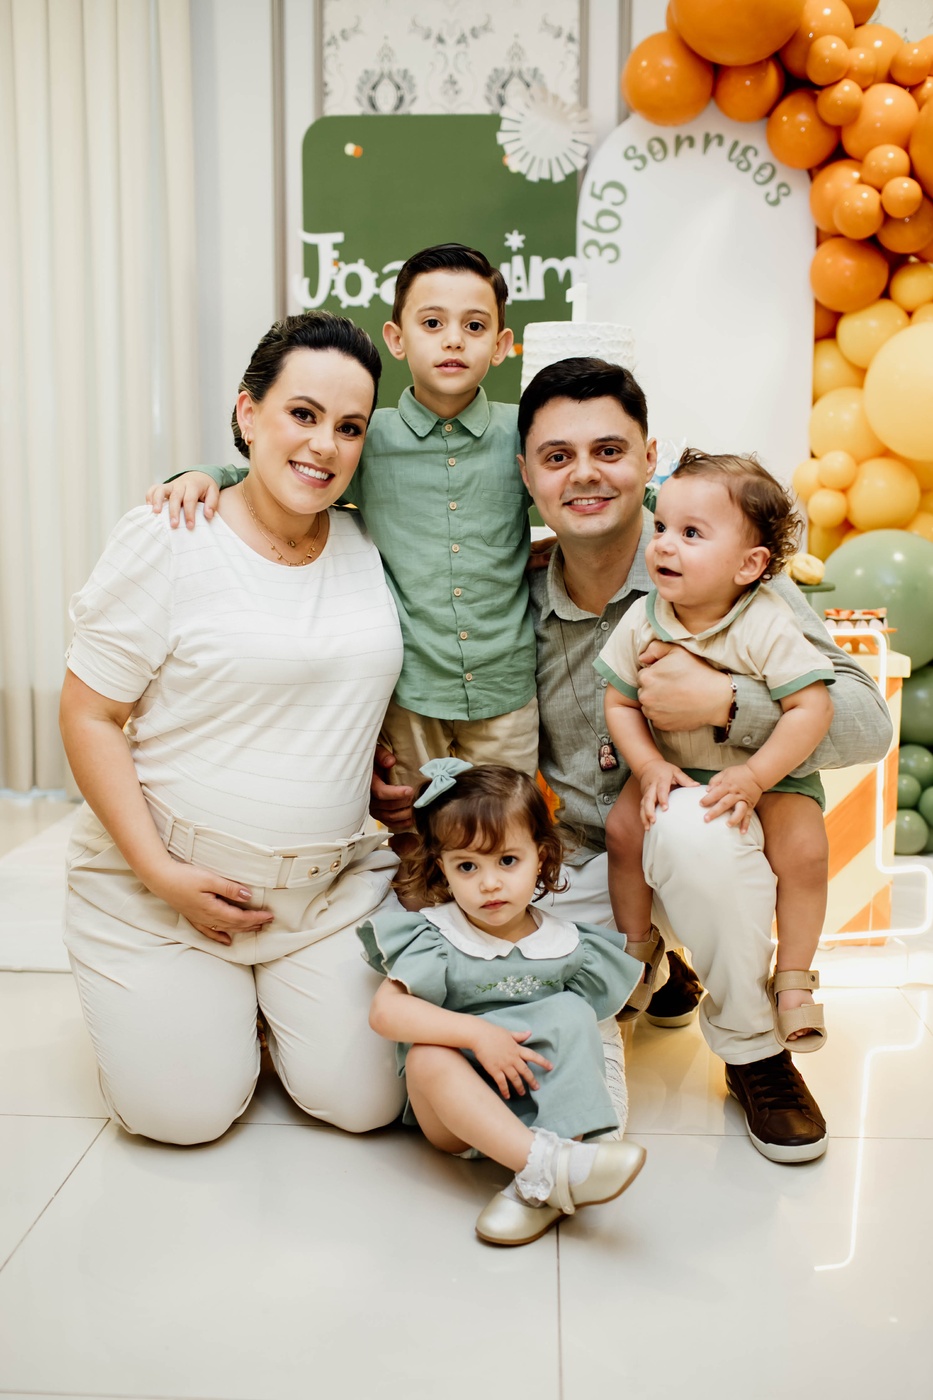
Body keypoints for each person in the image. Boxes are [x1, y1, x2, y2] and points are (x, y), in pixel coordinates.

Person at [373, 358, 893, 1164]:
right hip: (584, 862)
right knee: (503, 1013)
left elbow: (865, 721)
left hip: (717, 835)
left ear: (648, 458)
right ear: (526, 475)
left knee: (689, 829)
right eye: (557, 457)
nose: (584, 474)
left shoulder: (722, 564)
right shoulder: (515, 591)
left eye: (609, 451)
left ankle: (752, 1048)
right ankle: (659, 971)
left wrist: (725, 704)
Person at [59, 311, 409, 1146]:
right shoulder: (172, 534)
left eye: (349, 426)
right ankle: (198, 1012)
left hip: (323, 893)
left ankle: (258, 1011)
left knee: (365, 1104)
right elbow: (89, 713)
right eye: (302, 414)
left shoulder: (369, 541)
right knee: (184, 1116)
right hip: (162, 890)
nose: (324, 445)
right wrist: (159, 871)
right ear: (249, 413)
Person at [148, 243, 540, 804]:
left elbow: (580, 485)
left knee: (508, 822)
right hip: (409, 691)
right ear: (397, 339)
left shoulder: (523, 434)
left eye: (474, 326)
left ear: (501, 345)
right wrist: (205, 474)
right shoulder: (363, 439)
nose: (453, 340)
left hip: (507, 685)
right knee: (412, 828)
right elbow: (277, 473)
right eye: (432, 323)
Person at [599, 451, 835, 1054]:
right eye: (661, 527)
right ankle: (638, 950)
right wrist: (649, 764)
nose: (663, 544)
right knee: (623, 831)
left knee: (805, 853)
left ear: (749, 564)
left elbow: (812, 708)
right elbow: (619, 702)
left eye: (691, 534)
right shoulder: (644, 618)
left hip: (769, 775)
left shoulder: (766, 622)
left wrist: (756, 776)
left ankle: (794, 976)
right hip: (677, 767)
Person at [357, 759, 646, 1246]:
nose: (489, 883)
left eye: (507, 861)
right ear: (442, 869)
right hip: (460, 1116)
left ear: (541, 857)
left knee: (575, 1013)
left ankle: (543, 1172)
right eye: (467, 866)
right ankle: (550, 1169)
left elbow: (593, 1042)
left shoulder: (570, 946)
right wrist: (478, 1033)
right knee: (427, 1055)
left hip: (543, 1107)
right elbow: (385, 1013)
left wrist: (606, 1120)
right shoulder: (437, 938)